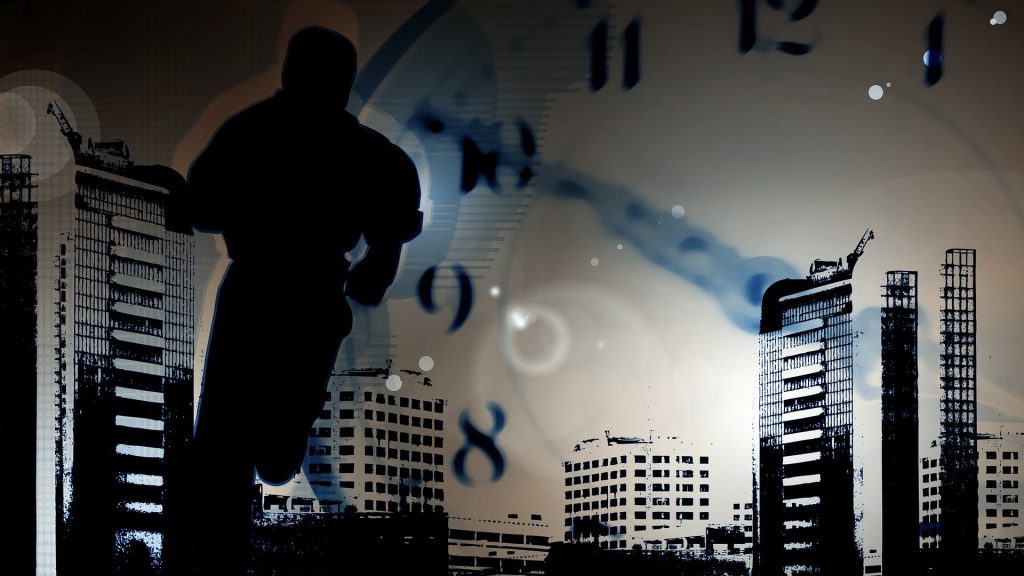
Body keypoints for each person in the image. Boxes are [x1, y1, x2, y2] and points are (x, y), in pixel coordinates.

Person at [179, 26, 422, 575]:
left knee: (244, 442)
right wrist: (378, 264)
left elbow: (203, 207)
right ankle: (228, 529)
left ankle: (272, 451)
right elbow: (204, 205)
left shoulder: (260, 133)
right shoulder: (344, 146)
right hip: (290, 293)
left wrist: (380, 261)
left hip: (278, 293)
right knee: (230, 446)